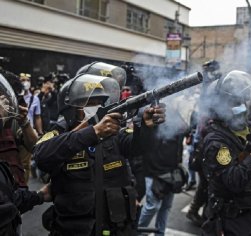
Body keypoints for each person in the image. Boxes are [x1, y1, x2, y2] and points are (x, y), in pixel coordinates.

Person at [33, 73, 166, 236]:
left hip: (116, 228)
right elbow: (41, 156)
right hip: (75, 230)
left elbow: (139, 147)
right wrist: (92, 132)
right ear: (72, 108)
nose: (96, 107)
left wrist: (147, 128)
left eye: (99, 103)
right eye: (89, 103)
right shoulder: (60, 131)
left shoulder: (113, 131)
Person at [201, 71, 251, 236]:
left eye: (242, 101)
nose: (241, 107)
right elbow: (233, 180)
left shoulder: (237, 130)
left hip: (249, 210)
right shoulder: (217, 142)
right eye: (235, 102)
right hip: (230, 218)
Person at [0, 73, 49, 234]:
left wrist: (24, 121)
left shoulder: (10, 122)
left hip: (15, 198)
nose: (5, 103)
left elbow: (34, 146)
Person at [137, 105, 188, 236]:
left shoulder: (174, 112)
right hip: (154, 171)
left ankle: (160, 233)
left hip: (171, 170)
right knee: (152, 206)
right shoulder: (151, 112)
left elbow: (185, 129)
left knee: (166, 207)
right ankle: (136, 231)